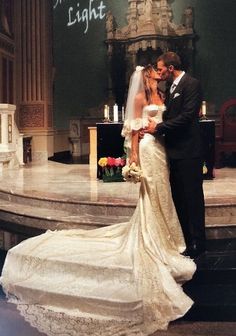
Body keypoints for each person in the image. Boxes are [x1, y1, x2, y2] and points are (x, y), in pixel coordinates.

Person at [0, 65, 196, 336]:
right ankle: (154, 238)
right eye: (154, 74)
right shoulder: (140, 98)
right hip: (149, 151)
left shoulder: (162, 95)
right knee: (152, 195)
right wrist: (134, 159)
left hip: (163, 151)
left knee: (164, 194)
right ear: (146, 77)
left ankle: (168, 235)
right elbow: (134, 132)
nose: (158, 76)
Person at [144, 52, 206, 258]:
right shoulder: (170, 88)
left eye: (161, 69)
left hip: (189, 151)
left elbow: (188, 116)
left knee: (193, 197)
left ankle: (198, 241)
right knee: (179, 197)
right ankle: (186, 238)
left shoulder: (191, 84)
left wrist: (159, 128)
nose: (159, 73)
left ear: (171, 68)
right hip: (173, 152)